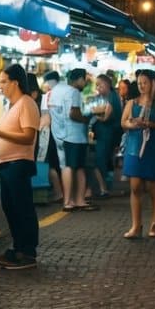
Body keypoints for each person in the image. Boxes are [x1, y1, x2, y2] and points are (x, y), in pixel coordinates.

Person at [0, 64, 40, 270]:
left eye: (3, 81)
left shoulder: (26, 103)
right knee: (11, 207)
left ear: (15, 82)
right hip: (8, 163)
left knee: (22, 208)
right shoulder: (14, 105)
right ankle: (18, 247)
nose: (0, 86)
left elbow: (28, 137)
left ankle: (27, 253)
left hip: (19, 163)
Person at [120, 69, 155, 238]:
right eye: (139, 83)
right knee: (135, 186)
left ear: (153, 83)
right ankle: (136, 225)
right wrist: (132, 124)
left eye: (145, 82)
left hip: (152, 146)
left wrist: (149, 124)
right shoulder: (132, 103)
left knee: (152, 185)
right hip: (134, 146)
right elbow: (123, 122)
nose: (141, 86)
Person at [51, 69, 95, 212]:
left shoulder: (56, 90)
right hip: (75, 136)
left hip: (59, 134)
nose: (85, 83)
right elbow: (73, 113)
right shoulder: (74, 92)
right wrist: (87, 119)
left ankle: (71, 200)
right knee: (76, 167)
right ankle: (74, 201)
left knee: (67, 166)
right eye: (85, 80)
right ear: (79, 79)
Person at [89, 73, 122, 199]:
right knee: (104, 160)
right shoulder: (111, 95)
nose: (97, 87)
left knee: (100, 160)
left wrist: (95, 115)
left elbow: (106, 116)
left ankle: (104, 188)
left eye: (99, 85)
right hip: (107, 134)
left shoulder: (111, 97)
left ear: (107, 84)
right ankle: (105, 187)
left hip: (107, 134)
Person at [39, 71, 65, 205]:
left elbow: (45, 118)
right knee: (61, 164)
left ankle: (59, 192)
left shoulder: (47, 96)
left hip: (50, 136)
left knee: (51, 163)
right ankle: (65, 193)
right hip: (64, 134)